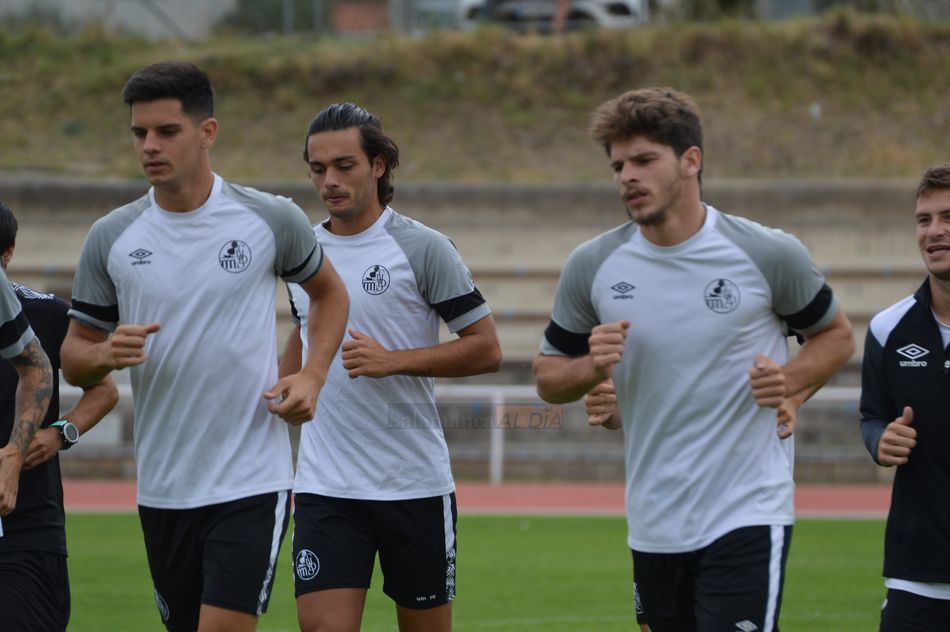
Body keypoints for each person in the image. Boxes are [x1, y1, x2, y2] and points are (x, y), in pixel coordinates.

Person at [533, 87, 855, 631]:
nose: (627, 177)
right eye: (617, 165)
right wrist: (591, 368)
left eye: (643, 160)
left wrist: (791, 383)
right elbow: (548, 377)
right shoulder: (593, 266)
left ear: (691, 160)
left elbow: (836, 337)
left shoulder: (766, 253)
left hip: (748, 510)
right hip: (655, 519)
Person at [59, 62, 349, 632]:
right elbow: (74, 353)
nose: (149, 146)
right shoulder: (111, 237)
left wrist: (313, 374)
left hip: (250, 478)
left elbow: (330, 296)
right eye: (139, 133)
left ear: (207, 132)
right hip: (163, 485)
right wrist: (104, 355)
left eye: (167, 131)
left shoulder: (269, 217)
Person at [281, 102, 501, 632]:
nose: (329, 181)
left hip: (413, 485)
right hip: (326, 485)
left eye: (344, 166)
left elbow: (486, 348)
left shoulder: (423, 248)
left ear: (378, 166)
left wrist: (392, 362)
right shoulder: (301, 251)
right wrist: (285, 383)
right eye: (317, 169)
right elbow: (302, 328)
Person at [0, 201, 118, 631]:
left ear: (7, 254)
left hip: (28, 527)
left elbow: (103, 391)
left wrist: (61, 433)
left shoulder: (46, 314)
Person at [859, 163, 950, 630]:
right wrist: (880, 440)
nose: (934, 231)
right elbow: (872, 414)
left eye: (948, 217)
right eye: (924, 219)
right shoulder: (887, 328)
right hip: (916, 578)